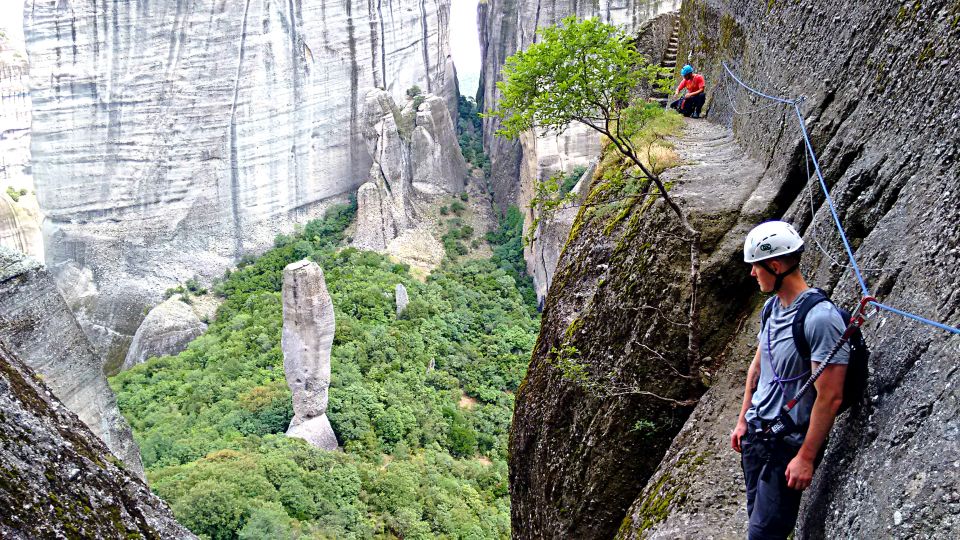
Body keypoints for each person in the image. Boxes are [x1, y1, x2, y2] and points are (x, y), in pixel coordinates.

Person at [730, 221, 849, 539]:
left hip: (785, 448)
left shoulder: (820, 319)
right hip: (757, 439)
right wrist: (743, 421)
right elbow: (757, 370)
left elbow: (831, 396)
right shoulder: (772, 308)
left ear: (776, 264)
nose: (753, 274)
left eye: (756, 267)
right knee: (756, 520)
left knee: (763, 535)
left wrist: (806, 457)